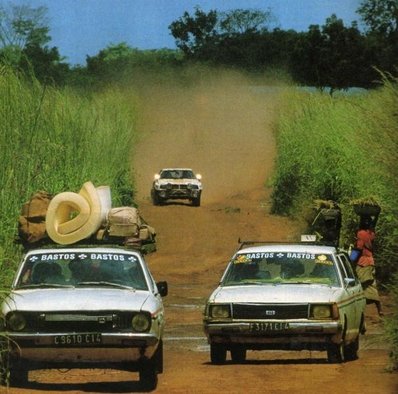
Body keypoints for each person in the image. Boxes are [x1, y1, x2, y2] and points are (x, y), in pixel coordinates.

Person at [355, 216, 383, 317]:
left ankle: (360, 310)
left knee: (359, 284)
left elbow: (358, 248)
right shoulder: (371, 233)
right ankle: (379, 309)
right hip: (370, 261)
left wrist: (352, 259)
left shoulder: (361, 233)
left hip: (363, 262)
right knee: (371, 284)